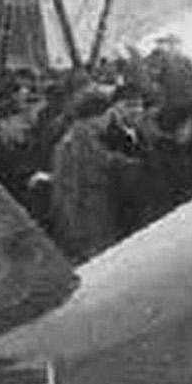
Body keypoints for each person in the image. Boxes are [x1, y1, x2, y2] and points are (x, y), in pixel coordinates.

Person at [49, 88, 140, 263]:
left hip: (97, 219)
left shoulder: (84, 139)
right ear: (99, 116)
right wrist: (76, 236)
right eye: (109, 115)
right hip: (90, 225)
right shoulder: (73, 145)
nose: (110, 121)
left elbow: (104, 159)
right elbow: (70, 193)